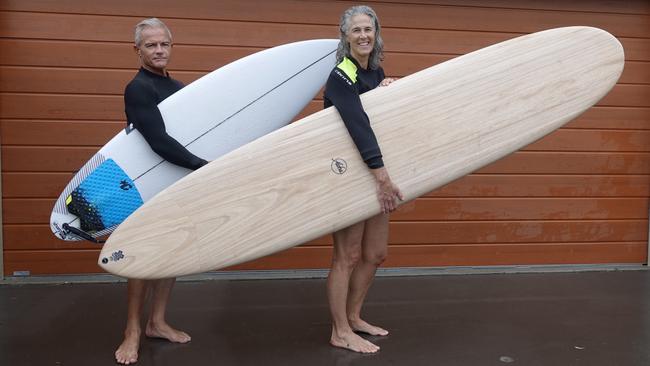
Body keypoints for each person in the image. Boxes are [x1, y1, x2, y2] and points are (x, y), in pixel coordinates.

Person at [114, 18, 208, 365]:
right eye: (151, 45)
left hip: (177, 180)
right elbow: (158, 141)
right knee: (144, 256)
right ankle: (133, 330)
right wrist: (202, 165)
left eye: (164, 44)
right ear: (137, 50)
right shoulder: (138, 88)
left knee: (171, 252)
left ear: (171, 46)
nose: (158, 50)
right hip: (150, 182)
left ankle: (157, 321)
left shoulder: (179, 88)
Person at [323, 5, 403, 354]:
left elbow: (376, 116)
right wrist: (383, 177)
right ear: (345, 36)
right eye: (355, 30)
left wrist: (385, 91)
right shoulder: (341, 75)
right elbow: (357, 125)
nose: (363, 36)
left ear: (376, 33)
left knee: (376, 252)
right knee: (348, 255)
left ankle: (354, 317)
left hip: (373, 170)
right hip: (349, 173)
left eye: (368, 29)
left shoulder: (374, 71)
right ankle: (339, 330)